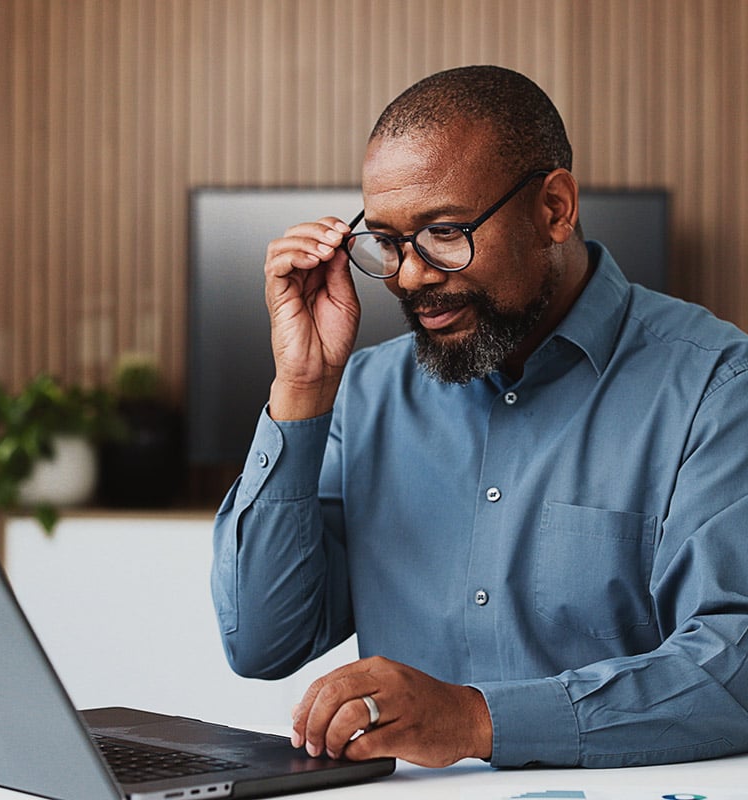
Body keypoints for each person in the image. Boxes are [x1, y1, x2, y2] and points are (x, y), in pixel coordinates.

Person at [211, 65, 748, 769]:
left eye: (444, 231)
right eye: (388, 242)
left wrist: (473, 719)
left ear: (554, 209)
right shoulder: (366, 391)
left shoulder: (716, 384)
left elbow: (733, 666)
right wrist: (302, 387)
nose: (409, 276)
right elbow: (261, 641)